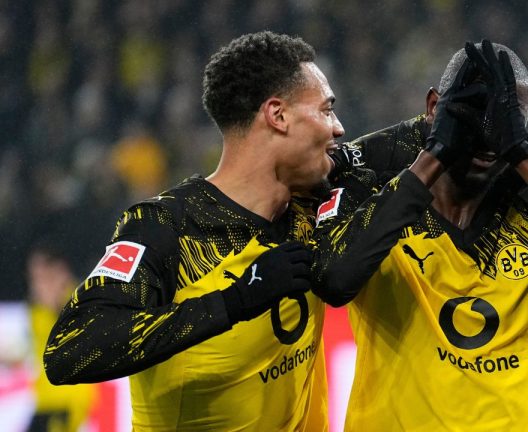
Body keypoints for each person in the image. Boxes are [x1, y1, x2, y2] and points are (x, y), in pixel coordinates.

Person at [312, 40, 528, 431]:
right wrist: (434, 153)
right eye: (472, 117)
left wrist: (522, 153)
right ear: (434, 108)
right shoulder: (370, 191)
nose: (487, 138)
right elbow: (333, 279)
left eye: (503, 122)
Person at [44, 31, 344, 431]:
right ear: (278, 115)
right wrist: (235, 301)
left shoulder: (314, 202)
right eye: (326, 110)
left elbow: (411, 142)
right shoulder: (165, 226)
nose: (338, 128)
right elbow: (71, 349)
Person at [26, 239, 96, 432]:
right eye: (33, 277)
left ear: (59, 273)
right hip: (45, 400)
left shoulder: (74, 301)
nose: (36, 283)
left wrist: (56, 300)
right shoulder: (36, 309)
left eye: (41, 277)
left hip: (67, 400)